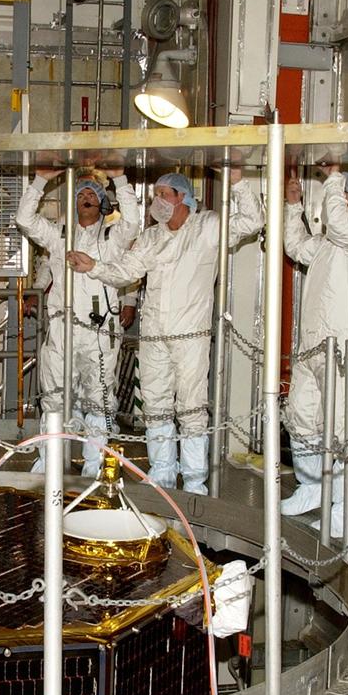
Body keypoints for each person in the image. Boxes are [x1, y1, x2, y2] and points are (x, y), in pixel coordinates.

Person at [67, 170, 262, 494]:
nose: (157, 201)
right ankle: (162, 473)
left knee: (191, 407)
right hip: (154, 335)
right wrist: (95, 267)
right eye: (155, 194)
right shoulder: (151, 237)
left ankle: (195, 482)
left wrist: (239, 182)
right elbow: (128, 270)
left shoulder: (208, 227)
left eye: (163, 194)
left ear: (182, 197)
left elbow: (253, 220)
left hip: (190, 336)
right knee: (155, 404)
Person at [282, 166, 348, 536]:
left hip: (344, 349)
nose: (339, 200)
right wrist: (293, 207)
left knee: (342, 427)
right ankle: (312, 488)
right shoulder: (331, 244)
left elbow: (340, 224)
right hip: (313, 347)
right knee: (302, 418)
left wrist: (334, 177)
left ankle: (347, 506)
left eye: (345, 195)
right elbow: (296, 246)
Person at [16, 166, 140, 476]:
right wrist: (41, 180)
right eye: (81, 193)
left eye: (92, 195)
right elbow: (25, 219)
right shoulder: (59, 234)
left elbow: (133, 222)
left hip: (99, 329)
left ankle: (94, 466)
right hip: (63, 327)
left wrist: (120, 180)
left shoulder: (112, 235)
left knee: (98, 398)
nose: (86, 198)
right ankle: (50, 462)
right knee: (54, 396)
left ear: (102, 202)